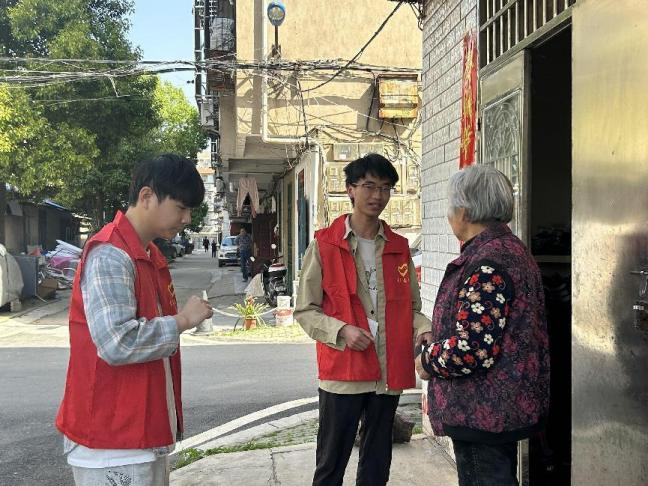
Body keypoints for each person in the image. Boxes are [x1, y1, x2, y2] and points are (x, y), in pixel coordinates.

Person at [55, 154, 214, 486]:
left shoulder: (148, 254)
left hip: (138, 437)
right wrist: (183, 320)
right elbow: (118, 342)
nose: (186, 219)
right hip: (111, 442)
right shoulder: (111, 254)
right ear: (147, 196)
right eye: (181, 207)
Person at [295, 153, 431, 486]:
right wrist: (341, 330)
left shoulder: (399, 247)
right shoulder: (324, 245)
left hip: (387, 371)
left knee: (377, 461)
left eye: (385, 188)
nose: (377, 196)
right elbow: (305, 310)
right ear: (350, 190)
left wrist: (424, 327)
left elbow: (410, 308)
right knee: (331, 462)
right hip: (344, 370)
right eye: (369, 186)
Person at [415, 164, 550, 486]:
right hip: (500, 406)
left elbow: (473, 349)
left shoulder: (487, 263)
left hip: (481, 410)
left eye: (450, 207)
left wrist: (427, 361)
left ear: (463, 211)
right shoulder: (508, 250)